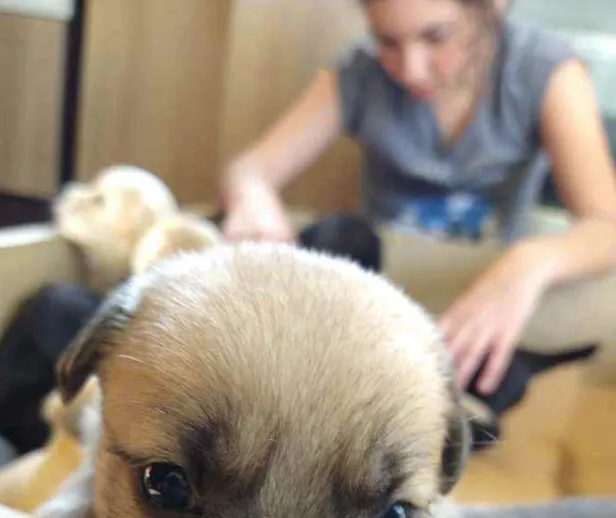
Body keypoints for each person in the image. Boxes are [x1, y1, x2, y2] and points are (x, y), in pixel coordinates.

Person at [219, 0, 616, 396]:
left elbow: (607, 225)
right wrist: (252, 195)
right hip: (388, 285)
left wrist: (529, 262)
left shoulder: (544, 70)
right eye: (387, 41)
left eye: (436, 36)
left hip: (484, 288)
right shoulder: (359, 73)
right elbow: (249, 170)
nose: (410, 69)